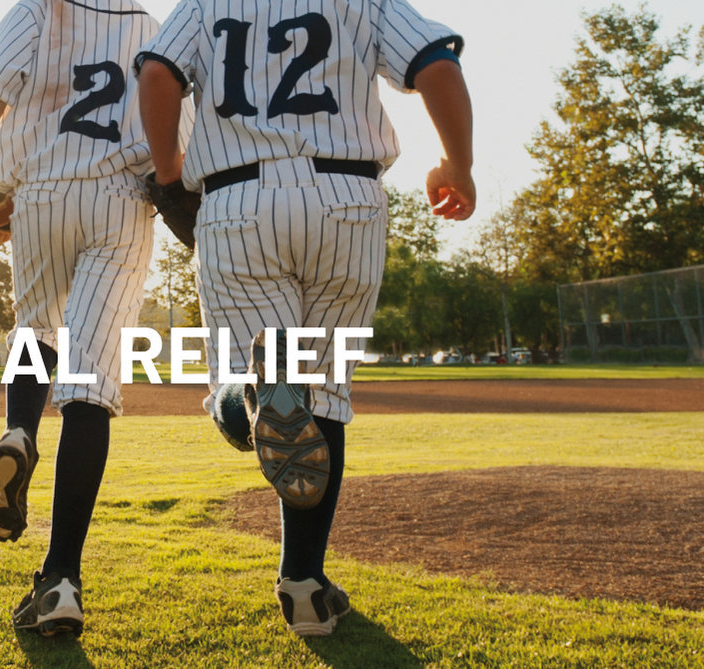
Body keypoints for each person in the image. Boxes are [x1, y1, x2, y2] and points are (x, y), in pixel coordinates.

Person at [135, 0, 473, 637]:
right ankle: (305, 586)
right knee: (325, 393)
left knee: (235, 385)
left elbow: (156, 73)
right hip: (348, 199)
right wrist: (461, 164)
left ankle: (252, 391)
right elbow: (435, 63)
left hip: (239, 201)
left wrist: (170, 171)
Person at [0, 0, 165, 638]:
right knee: (90, 384)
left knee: (35, 329)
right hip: (121, 198)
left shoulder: (36, 9)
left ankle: (19, 430)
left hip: (41, 194)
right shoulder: (151, 27)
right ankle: (60, 580)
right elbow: (174, 119)